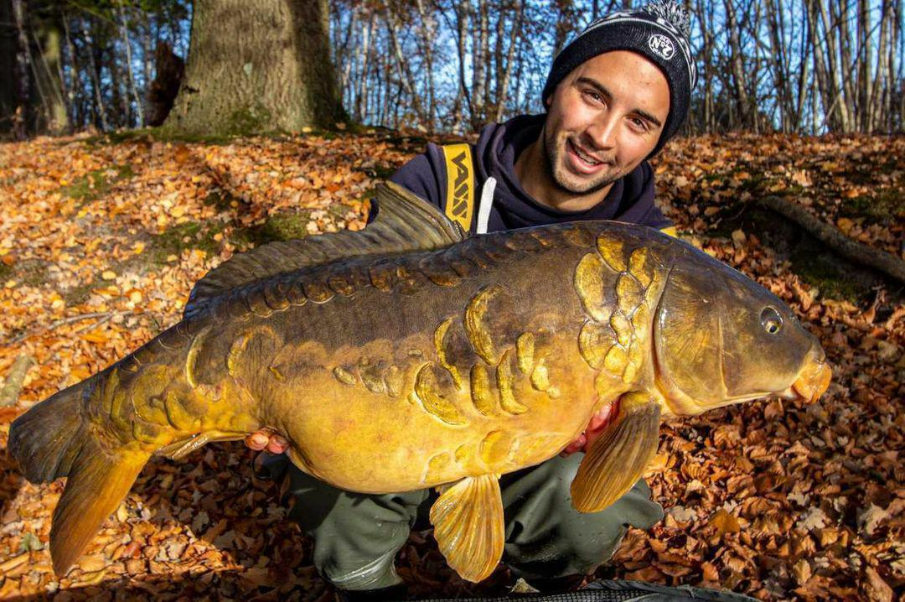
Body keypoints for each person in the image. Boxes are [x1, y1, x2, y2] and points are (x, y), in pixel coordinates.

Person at [246, 1, 696, 599]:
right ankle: (364, 585)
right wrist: (282, 391)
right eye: (592, 94)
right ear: (555, 84)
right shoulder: (440, 182)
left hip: (530, 445)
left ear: (657, 142)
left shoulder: (660, 260)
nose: (602, 135)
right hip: (396, 414)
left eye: (639, 122)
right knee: (336, 482)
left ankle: (541, 580)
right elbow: (344, 320)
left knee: (590, 510)